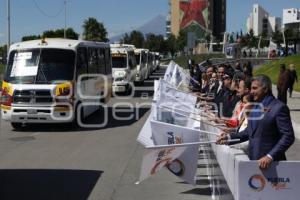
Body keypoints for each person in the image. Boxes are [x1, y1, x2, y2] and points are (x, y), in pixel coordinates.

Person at [217, 75, 295, 169]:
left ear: (265, 89)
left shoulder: (279, 107)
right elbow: (248, 132)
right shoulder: (255, 107)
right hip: (254, 163)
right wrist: (228, 137)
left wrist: (270, 156)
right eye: (251, 88)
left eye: (254, 88)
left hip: (274, 166)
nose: (251, 92)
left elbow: (288, 136)